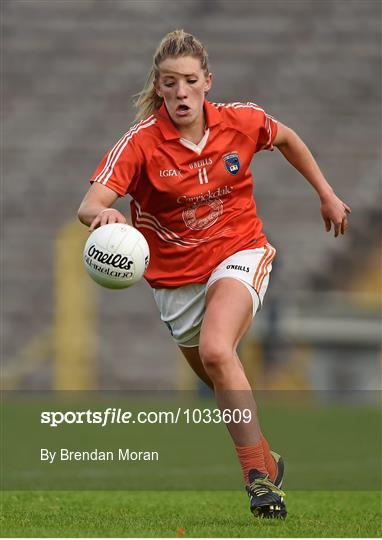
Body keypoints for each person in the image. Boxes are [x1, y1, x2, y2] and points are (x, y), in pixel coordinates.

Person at [78, 30, 351, 519]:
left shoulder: (241, 122)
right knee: (218, 375)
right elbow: (90, 203)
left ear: (207, 82)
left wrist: (326, 193)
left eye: (188, 81)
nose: (180, 92)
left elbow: (285, 137)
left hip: (239, 251)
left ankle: (258, 481)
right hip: (173, 279)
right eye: (169, 83)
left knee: (217, 350)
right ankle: (266, 457)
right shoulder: (141, 144)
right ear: (159, 89)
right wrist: (107, 216)